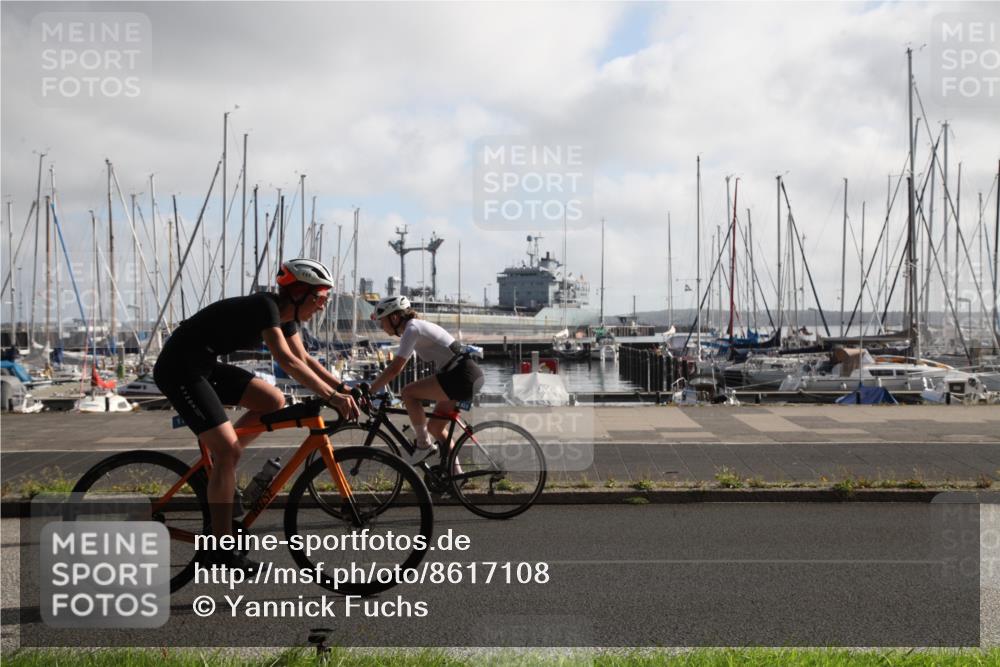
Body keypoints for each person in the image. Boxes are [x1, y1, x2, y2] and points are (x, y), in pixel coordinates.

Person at [153, 258, 358, 568]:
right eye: (320, 297)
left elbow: (304, 359)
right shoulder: (266, 306)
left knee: (272, 400)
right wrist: (331, 397)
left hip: (203, 365)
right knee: (229, 451)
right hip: (179, 368)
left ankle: (221, 463)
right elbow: (287, 361)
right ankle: (221, 550)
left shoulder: (287, 318)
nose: (322, 306)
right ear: (299, 292)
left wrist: (344, 389)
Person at [367, 295, 484, 466]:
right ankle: (456, 475)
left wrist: (370, 390)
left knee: (408, 393)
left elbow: (395, 368)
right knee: (435, 428)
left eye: (381, 321)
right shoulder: (415, 327)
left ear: (394, 317)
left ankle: (423, 444)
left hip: (461, 375)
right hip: (464, 374)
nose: (381, 326)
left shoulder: (412, 328)